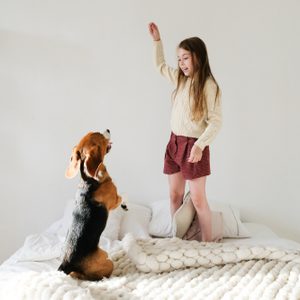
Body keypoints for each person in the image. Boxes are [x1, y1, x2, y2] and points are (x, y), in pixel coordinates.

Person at [148, 22, 222, 242]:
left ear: (198, 57)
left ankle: (208, 244)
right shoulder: (180, 80)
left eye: (185, 58)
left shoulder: (209, 86)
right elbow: (160, 66)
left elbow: (216, 121)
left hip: (194, 146)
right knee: (174, 195)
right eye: (179, 59)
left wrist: (200, 145)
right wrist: (156, 41)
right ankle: (176, 239)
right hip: (174, 144)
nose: (181, 64)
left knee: (198, 200)